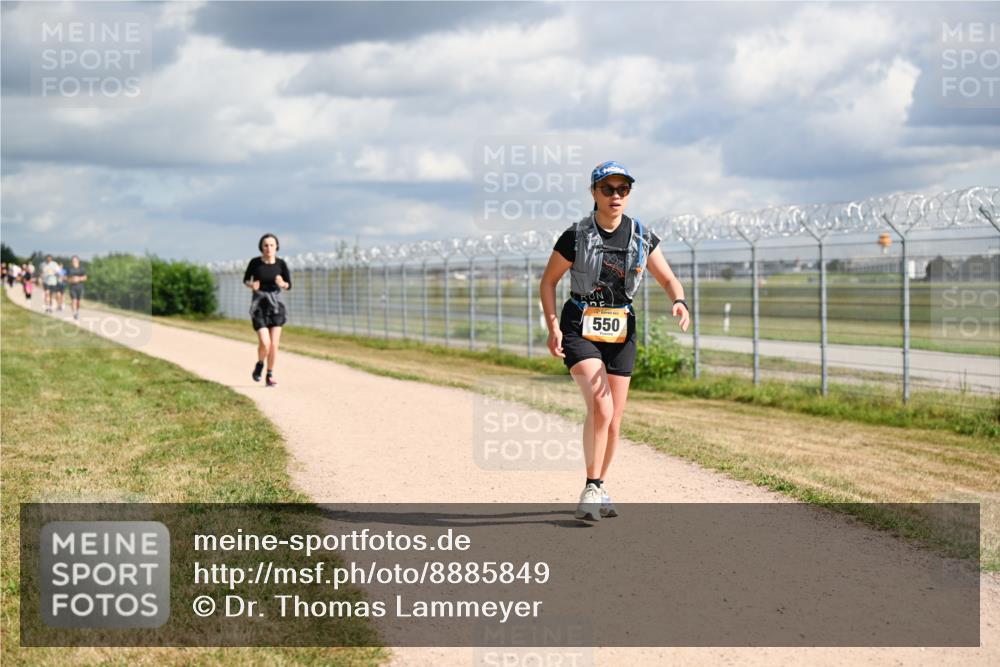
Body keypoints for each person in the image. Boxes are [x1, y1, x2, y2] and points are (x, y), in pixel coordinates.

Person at [540, 161, 690, 521]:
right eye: (608, 189)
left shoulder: (640, 235)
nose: (616, 196)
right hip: (580, 324)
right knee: (601, 407)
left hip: (621, 329)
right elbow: (548, 282)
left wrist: (679, 301)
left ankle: (600, 485)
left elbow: (668, 279)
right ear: (594, 193)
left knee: (615, 419)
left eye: (623, 190)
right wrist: (552, 327)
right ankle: (591, 486)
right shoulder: (574, 236)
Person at [243, 234, 291, 387]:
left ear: (277, 247)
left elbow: (289, 285)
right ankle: (259, 364)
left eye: (272, 245)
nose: (268, 248)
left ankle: (269, 375)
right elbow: (246, 279)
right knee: (265, 343)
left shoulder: (281, 264)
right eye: (265, 245)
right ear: (261, 247)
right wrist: (252, 286)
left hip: (276, 306)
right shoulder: (255, 263)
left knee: (274, 344)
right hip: (259, 306)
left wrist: (282, 283)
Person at [66, 256, 87, 320]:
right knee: (73, 300)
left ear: (78, 261)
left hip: (80, 287)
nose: (74, 262)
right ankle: (74, 313)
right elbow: (66, 278)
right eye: (73, 261)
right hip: (72, 287)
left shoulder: (81, 269)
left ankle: (77, 311)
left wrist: (79, 278)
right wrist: (71, 280)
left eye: (75, 260)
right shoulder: (69, 269)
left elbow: (85, 277)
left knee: (78, 302)